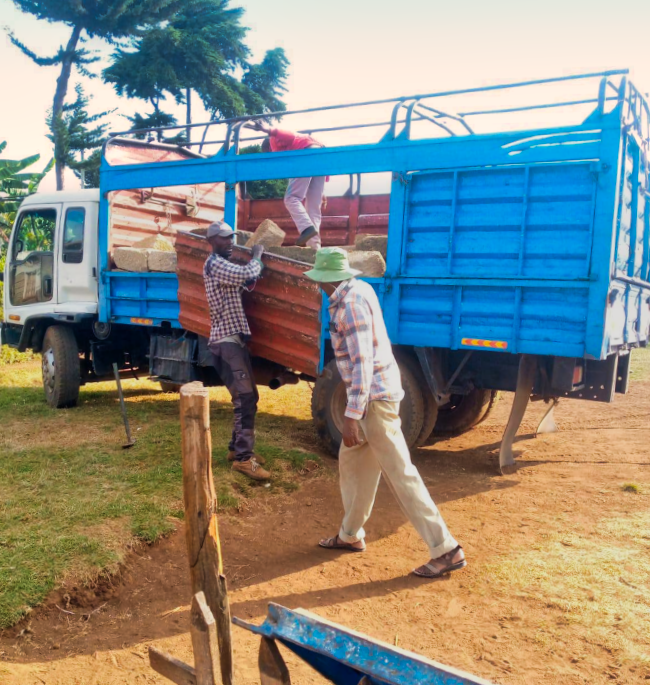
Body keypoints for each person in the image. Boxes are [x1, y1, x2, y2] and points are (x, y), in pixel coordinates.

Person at [304, 247, 466, 578]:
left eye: (319, 281)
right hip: (372, 396)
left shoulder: (349, 306)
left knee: (399, 473)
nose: (317, 286)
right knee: (352, 465)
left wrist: (351, 414)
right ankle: (350, 534)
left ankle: (446, 548)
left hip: (373, 400)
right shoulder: (359, 289)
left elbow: (362, 364)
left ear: (329, 280)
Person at [203, 220, 271, 482]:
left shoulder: (224, 265)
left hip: (234, 340)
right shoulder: (215, 264)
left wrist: (253, 269)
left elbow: (247, 278)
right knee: (244, 398)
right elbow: (246, 274)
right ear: (211, 241)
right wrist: (257, 256)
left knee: (249, 396)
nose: (229, 241)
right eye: (223, 238)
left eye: (231, 237)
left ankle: (236, 450)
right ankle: (244, 460)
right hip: (225, 341)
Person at [249, 121, 326, 249]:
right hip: (321, 156)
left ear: (269, 149)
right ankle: (314, 248)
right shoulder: (296, 145)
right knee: (313, 207)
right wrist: (321, 190)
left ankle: (307, 229)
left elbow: (290, 135)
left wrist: (268, 130)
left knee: (291, 198)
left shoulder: (274, 141)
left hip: (305, 154)